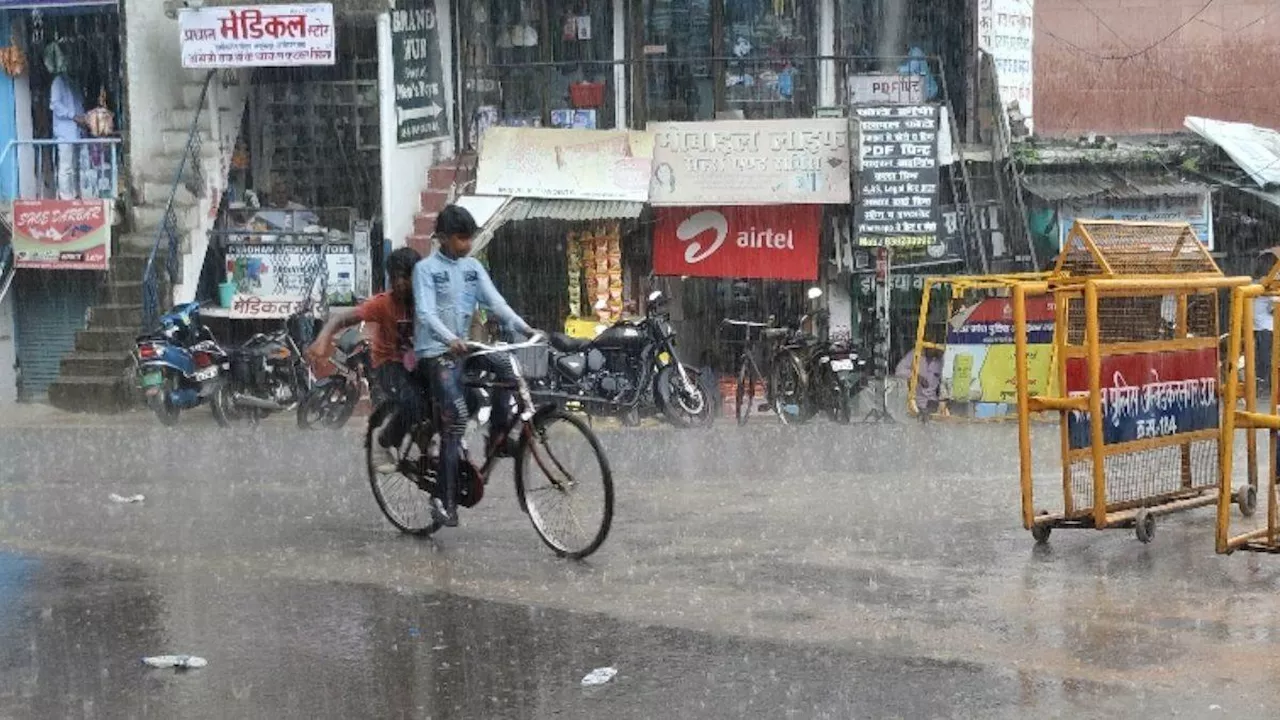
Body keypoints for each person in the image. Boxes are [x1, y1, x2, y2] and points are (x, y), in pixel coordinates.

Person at [413, 204, 535, 527]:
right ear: (442, 238)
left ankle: (497, 434)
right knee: (457, 418)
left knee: (507, 366)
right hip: (436, 353)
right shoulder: (425, 270)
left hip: (465, 348)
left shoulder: (473, 268)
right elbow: (425, 314)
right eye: (460, 238)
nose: (466, 245)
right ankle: (442, 498)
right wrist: (450, 338)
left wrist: (524, 328)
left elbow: (495, 302)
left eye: (469, 238)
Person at [306, 246, 421, 469]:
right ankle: (385, 441)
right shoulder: (383, 303)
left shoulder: (426, 301)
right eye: (394, 277)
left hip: (419, 363)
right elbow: (340, 319)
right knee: (412, 403)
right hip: (390, 364)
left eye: (405, 276)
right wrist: (322, 340)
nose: (399, 283)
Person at [46, 42, 86, 200]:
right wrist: (73, 116)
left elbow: (79, 106)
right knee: (66, 167)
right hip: (65, 132)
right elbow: (55, 104)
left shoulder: (73, 83)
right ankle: (65, 198)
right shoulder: (58, 82)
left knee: (76, 166)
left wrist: (84, 118)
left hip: (77, 132)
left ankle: (75, 195)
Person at [1255, 254, 1276, 389]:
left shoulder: (1251, 283)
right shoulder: (1269, 286)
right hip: (1264, 328)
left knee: (1261, 357)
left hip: (1259, 327)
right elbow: (1274, 308)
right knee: (1264, 358)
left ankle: (1263, 382)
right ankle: (1264, 382)